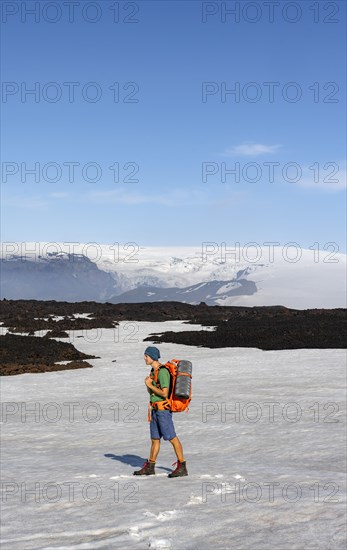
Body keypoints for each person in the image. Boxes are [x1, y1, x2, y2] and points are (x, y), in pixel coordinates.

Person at [133, 346, 188, 478]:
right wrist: (149, 385)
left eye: (146, 356)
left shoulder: (163, 372)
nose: (144, 358)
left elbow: (164, 393)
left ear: (152, 356)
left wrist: (150, 385)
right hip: (154, 410)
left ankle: (182, 466)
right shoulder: (153, 371)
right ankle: (150, 467)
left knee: (172, 438)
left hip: (163, 411)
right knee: (155, 439)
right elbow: (152, 392)